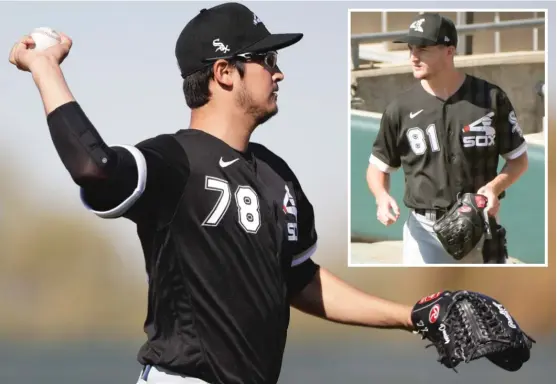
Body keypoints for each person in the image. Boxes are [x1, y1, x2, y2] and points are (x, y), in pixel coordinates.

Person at [9, 3, 418, 384]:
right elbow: (94, 167)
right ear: (224, 72)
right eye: (267, 60)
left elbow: (298, 279)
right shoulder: (174, 159)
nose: (279, 74)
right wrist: (45, 69)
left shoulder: (277, 175)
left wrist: (410, 316)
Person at [366, 12, 529, 265]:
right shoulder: (400, 108)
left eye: (423, 48)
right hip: (423, 232)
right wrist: (381, 196)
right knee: (423, 302)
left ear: (449, 51)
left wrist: (495, 188)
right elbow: (378, 167)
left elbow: (518, 160)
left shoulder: (490, 98)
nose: (413, 56)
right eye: (411, 48)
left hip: (478, 226)